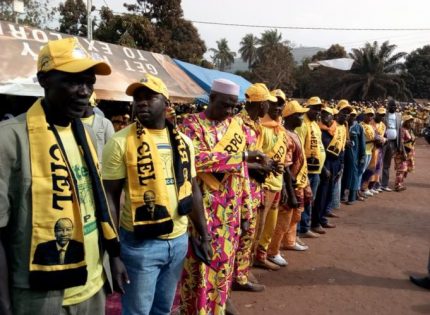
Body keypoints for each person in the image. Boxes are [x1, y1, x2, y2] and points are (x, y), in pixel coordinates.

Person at [0, 37, 123, 315]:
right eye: (72, 81)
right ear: (43, 80)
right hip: (42, 296)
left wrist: (113, 256)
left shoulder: (87, 134)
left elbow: (99, 203)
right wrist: (4, 304)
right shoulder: (10, 140)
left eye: (89, 82)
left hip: (92, 287)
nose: (84, 92)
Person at [102, 74, 211, 315]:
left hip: (179, 240)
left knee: (162, 309)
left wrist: (204, 234)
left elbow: (192, 189)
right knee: (138, 311)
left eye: (149, 97)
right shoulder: (120, 142)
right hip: (140, 245)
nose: (141, 102)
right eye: (137, 98)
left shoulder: (184, 142)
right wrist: (114, 252)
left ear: (166, 103)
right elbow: (109, 198)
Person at [175, 79, 267, 315]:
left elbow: (243, 173)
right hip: (201, 213)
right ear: (212, 98)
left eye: (234, 107)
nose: (229, 112)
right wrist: (243, 155)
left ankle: (219, 307)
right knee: (197, 270)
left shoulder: (237, 127)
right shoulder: (189, 125)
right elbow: (195, 159)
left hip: (230, 214)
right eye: (225, 105)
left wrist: (246, 210)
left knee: (223, 270)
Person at [232, 83, 274, 292]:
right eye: (267, 102)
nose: (269, 106)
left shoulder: (256, 124)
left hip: (254, 187)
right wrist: (257, 166)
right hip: (241, 188)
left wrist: (265, 166)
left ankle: (242, 271)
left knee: (249, 232)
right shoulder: (238, 123)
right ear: (259, 103)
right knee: (241, 231)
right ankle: (236, 277)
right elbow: (232, 159)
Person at [267, 101, 313, 266]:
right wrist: (289, 190)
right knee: (283, 219)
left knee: (295, 215)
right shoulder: (285, 136)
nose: (302, 117)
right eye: (300, 114)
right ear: (291, 117)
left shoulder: (294, 133)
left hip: (299, 181)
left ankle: (289, 241)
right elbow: (285, 167)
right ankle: (273, 251)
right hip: (290, 184)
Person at [253, 88, 289, 270]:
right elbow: (257, 155)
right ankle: (250, 261)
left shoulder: (280, 128)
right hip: (264, 184)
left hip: (277, 183)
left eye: (280, 104)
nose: (277, 107)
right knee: (257, 227)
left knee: (270, 225)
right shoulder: (261, 126)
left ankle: (262, 254)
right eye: (274, 103)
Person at [296, 97, 326, 236]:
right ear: (308, 108)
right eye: (315, 108)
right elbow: (300, 148)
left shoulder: (315, 124)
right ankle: (302, 228)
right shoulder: (303, 124)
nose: (317, 112)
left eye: (319, 109)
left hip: (316, 169)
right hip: (306, 170)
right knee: (305, 199)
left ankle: (305, 226)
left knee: (310, 199)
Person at [81, 92, 115, 163]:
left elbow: (112, 149)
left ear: (93, 105)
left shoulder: (105, 123)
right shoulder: (72, 122)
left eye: (88, 104)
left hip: (100, 167)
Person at [341, 109, 366, 204]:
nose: (351, 117)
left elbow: (362, 143)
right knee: (344, 175)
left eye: (353, 115)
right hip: (343, 155)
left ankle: (352, 197)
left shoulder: (358, 127)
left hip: (354, 156)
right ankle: (342, 195)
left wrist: (362, 156)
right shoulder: (343, 125)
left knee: (354, 175)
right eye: (350, 115)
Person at [381, 99, 403, 191]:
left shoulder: (398, 116)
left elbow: (400, 130)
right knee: (378, 162)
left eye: (394, 106)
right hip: (383, 142)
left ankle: (384, 185)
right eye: (391, 106)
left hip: (393, 142)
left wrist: (400, 144)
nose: (393, 107)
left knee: (387, 164)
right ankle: (374, 185)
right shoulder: (383, 115)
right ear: (388, 107)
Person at [394, 115, 415, 191]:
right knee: (401, 169)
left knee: (405, 170)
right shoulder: (402, 130)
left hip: (409, 152)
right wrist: (404, 153)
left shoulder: (410, 130)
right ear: (406, 122)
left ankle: (401, 184)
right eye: (410, 121)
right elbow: (401, 143)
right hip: (402, 152)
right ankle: (397, 185)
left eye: (412, 121)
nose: (411, 123)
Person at [359, 108, 376, 198]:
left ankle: (360, 189)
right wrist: (374, 140)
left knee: (365, 171)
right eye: (368, 115)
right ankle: (357, 190)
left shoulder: (371, 126)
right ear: (364, 115)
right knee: (361, 171)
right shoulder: (361, 125)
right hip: (364, 151)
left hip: (370, 150)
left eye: (371, 115)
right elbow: (361, 141)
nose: (370, 117)